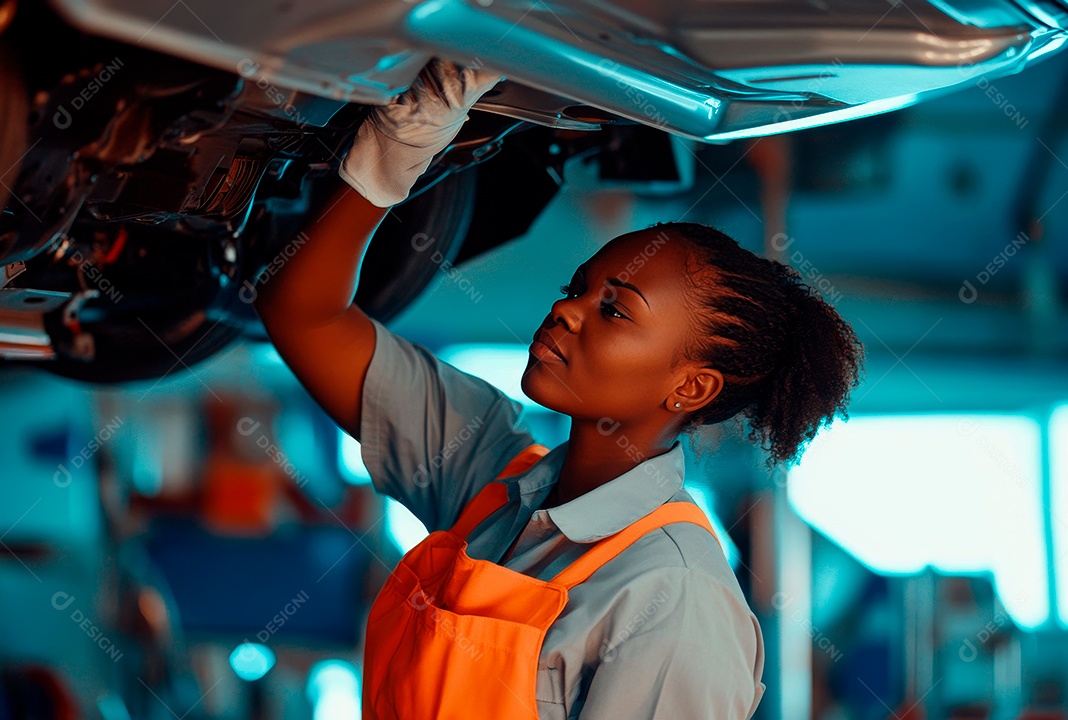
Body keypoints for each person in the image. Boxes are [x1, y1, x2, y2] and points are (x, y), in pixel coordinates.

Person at [252, 59, 864, 719]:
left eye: (614, 309)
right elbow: (305, 315)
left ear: (691, 387)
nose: (566, 311)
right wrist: (392, 157)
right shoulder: (487, 469)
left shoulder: (673, 595)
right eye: (577, 288)